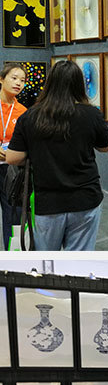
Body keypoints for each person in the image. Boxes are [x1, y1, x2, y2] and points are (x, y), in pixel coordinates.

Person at [6, 61, 108, 251]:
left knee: (47, 259)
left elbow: (12, 158)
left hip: (47, 202)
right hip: (85, 198)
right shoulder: (91, 114)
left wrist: (36, 152)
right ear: (79, 84)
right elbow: (105, 147)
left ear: (50, 83)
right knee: (79, 260)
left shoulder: (30, 116)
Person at [0, 63, 27, 248]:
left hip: (11, 171)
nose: (18, 83)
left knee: (12, 216)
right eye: (14, 78)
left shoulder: (23, 112)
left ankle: (11, 254)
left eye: (22, 80)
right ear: (1, 79)